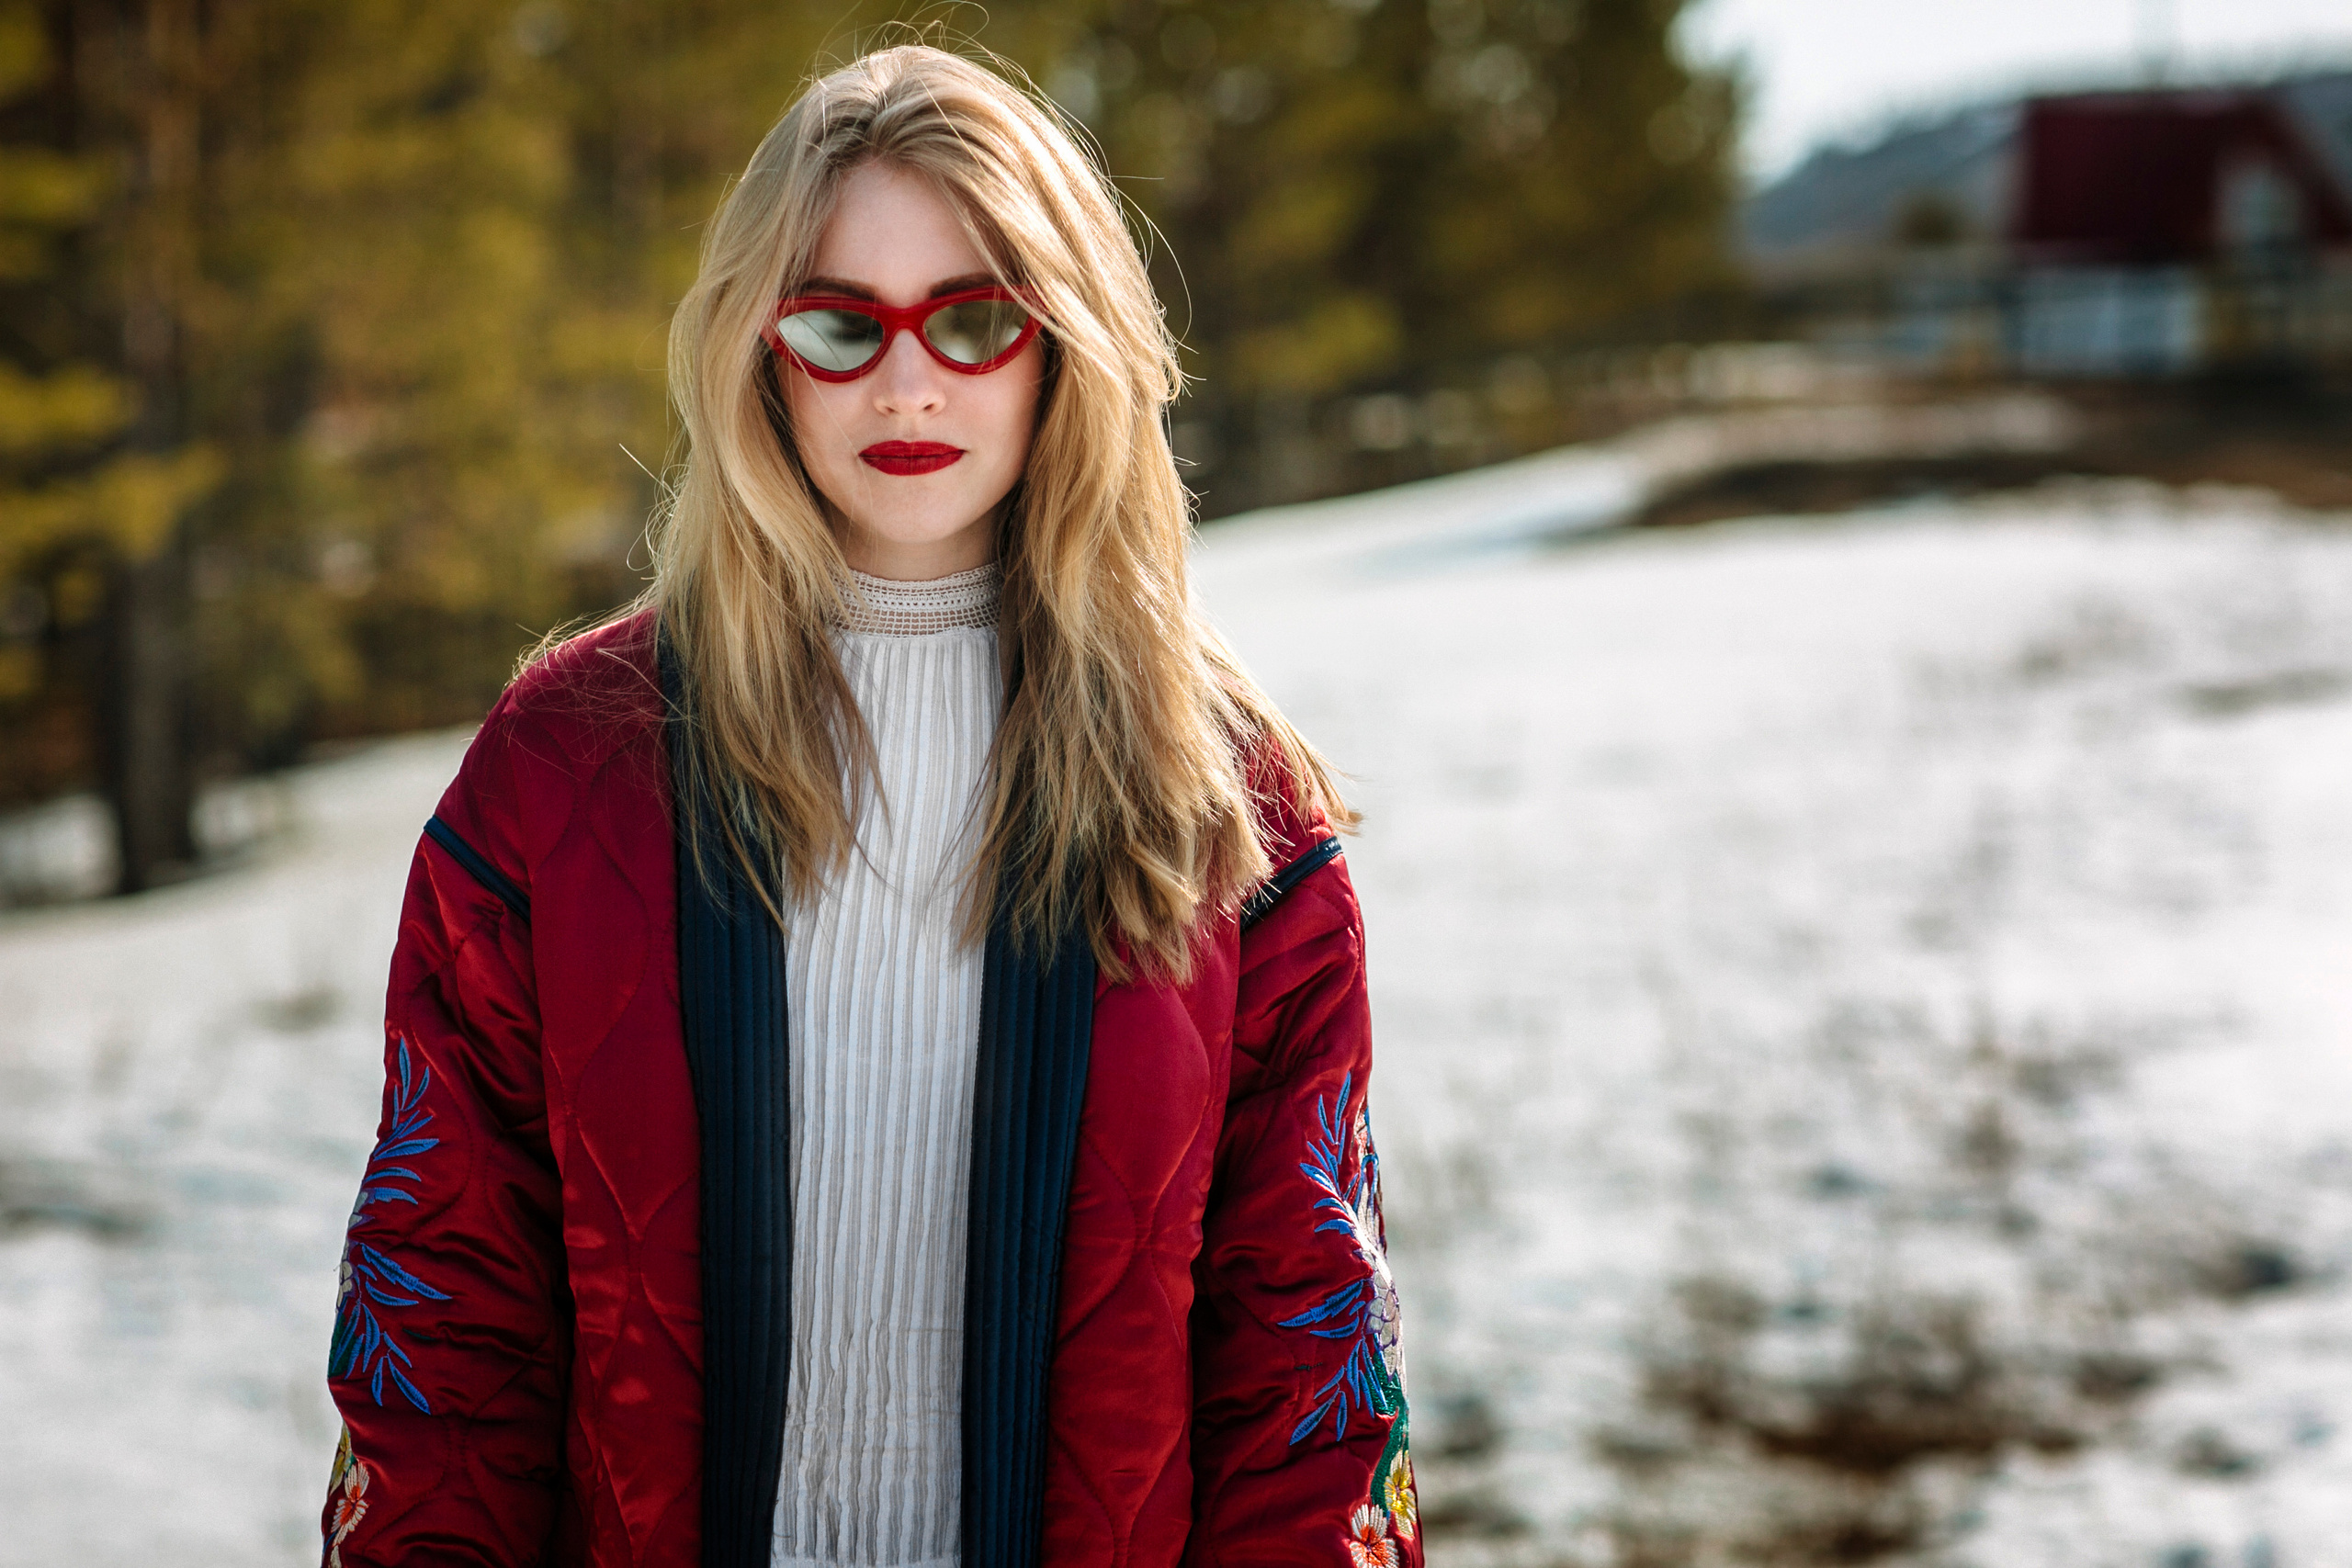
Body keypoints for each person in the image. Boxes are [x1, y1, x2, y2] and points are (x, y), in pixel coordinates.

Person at [320, 42, 1417, 1568]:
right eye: (840, 321)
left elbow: (1305, 1387)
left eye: (975, 317)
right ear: (758, 349)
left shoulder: (1233, 805)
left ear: (1065, 340)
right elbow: (445, 1337)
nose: (908, 380)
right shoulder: (564, 774)